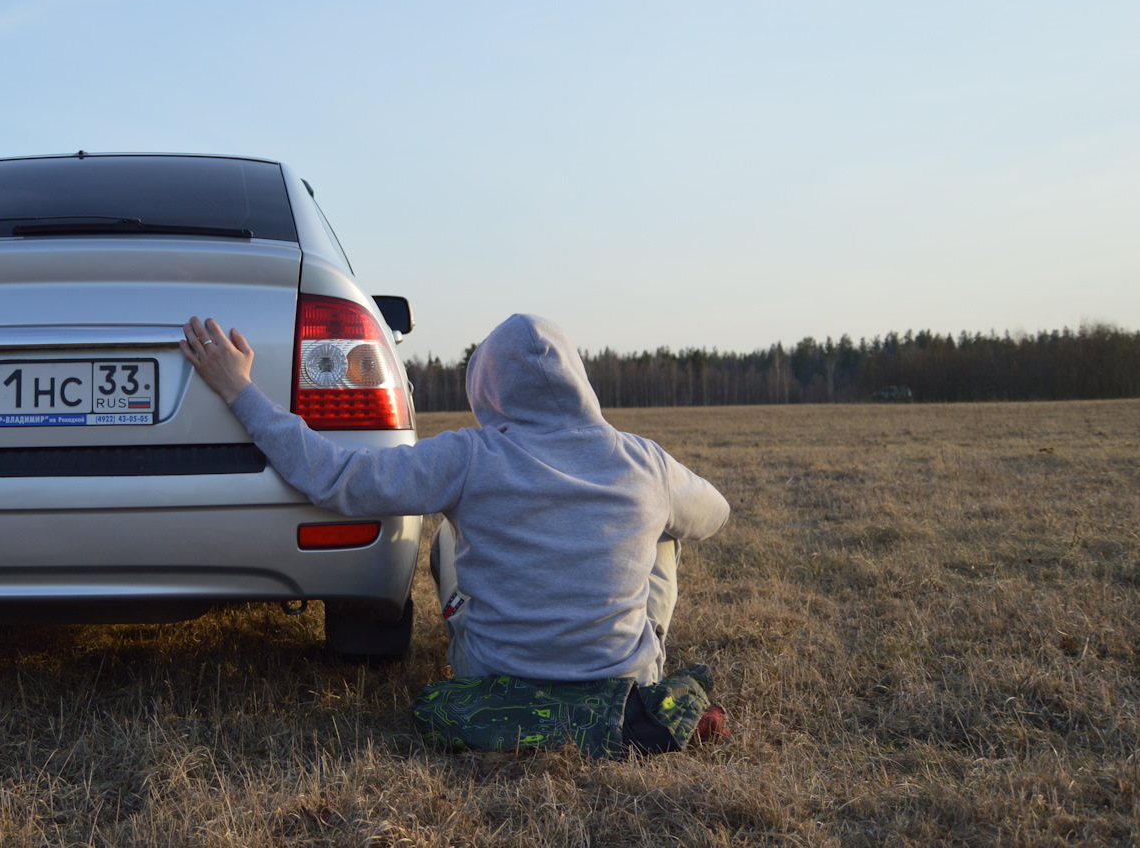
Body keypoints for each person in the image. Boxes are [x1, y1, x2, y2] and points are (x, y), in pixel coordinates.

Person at [179, 311, 733, 757]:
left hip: (493, 676)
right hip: (626, 681)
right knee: (665, 531)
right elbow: (715, 513)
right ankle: (625, 659)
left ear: (485, 389)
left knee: (448, 532)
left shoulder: (468, 456)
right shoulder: (644, 461)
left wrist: (240, 391)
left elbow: (334, 477)